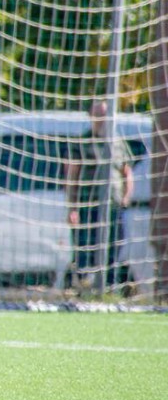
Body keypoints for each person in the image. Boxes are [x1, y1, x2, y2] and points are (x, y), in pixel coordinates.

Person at [66, 100, 135, 292]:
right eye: (97, 115)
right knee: (84, 246)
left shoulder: (118, 142)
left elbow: (127, 172)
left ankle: (109, 287)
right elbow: (72, 175)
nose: (101, 119)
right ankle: (82, 287)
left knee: (113, 246)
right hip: (88, 206)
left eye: (104, 115)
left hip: (113, 205)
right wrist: (72, 208)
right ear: (91, 116)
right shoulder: (82, 142)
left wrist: (126, 197)